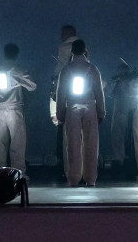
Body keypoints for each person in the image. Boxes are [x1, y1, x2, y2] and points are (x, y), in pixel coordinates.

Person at [56, 39, 105, 186]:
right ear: (85, 50)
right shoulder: (92, 68)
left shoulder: (66, 69)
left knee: (72, 143)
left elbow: (61, 93)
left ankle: (73, 177)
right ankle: (90, 178)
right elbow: (99, 92)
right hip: (90, 107)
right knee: (91, 143)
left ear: (72, 51)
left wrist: (60, 112)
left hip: (72, 107)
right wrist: (101, 112)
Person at [0, 43, 37, 172]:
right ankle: (18, 172)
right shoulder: (18, 70)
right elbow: (33, 86)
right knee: (18, 143)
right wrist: (18, 81)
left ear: (4, 53)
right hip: (15, 109)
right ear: (16, 55)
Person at [52, 25, 80, 171]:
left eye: (63, 32)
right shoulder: (84, 48)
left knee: (64, 130)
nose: (61, 35)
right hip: (83, 96)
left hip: (66, 89)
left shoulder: (64, 47)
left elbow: (60, 70)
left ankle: (66, 165)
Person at [107, 61, 134, 175]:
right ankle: (118, 159)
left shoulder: (131, 81)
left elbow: (130, 93)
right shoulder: (115, 82)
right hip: (118, 111)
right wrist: (116, 82)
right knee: (117, 136)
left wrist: (124, 81)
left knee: (131, 137)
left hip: (131, 111)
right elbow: (109, 93)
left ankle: (130, 158)